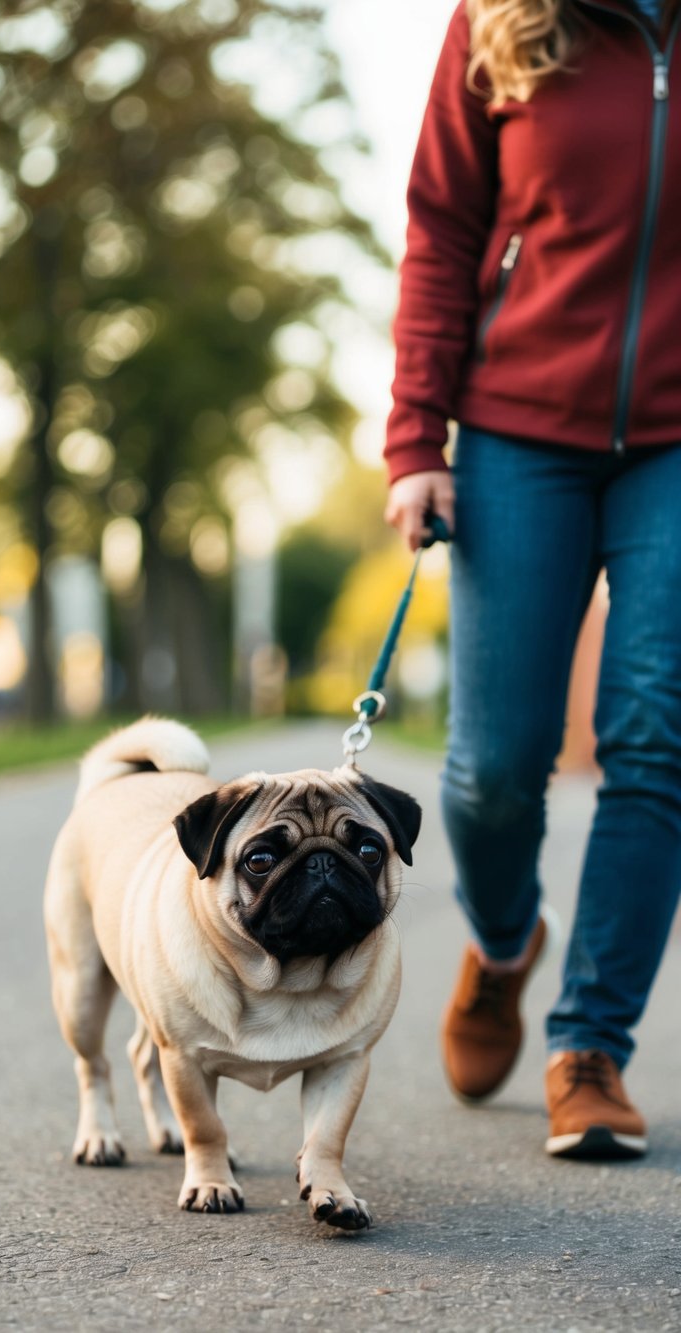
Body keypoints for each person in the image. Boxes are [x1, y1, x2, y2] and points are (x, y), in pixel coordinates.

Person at [384, 0, 681, 1159]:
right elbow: (441, 232)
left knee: (657, 734)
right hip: (516, 431)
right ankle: (506, 941)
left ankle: (589, 1046)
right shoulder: (501, 23)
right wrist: (417, 440)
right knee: (496, 766)